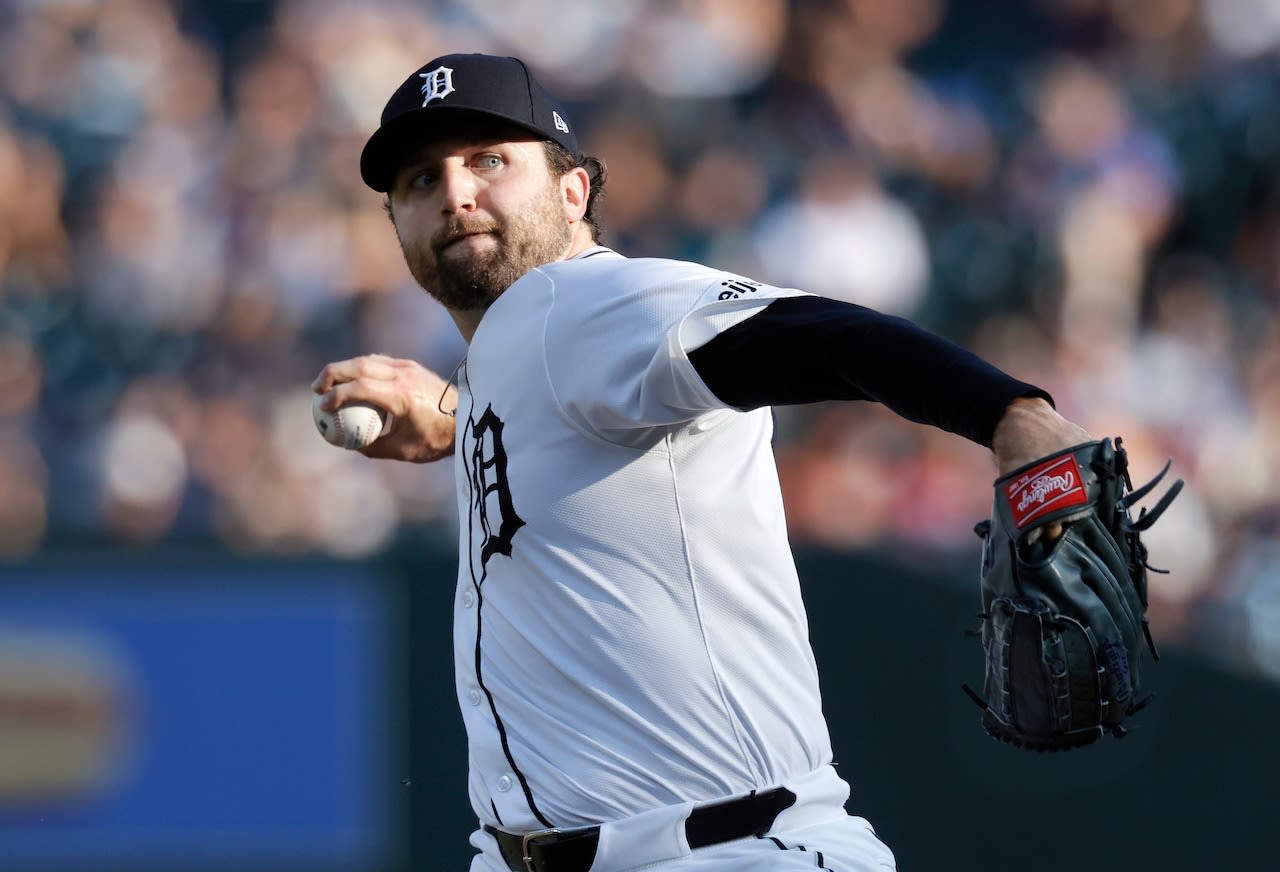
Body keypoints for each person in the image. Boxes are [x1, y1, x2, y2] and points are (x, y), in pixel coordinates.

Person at [312, 52, 1090, 872]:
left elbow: (812, 335)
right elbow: (564, 425)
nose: (456, 193)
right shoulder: (526, 355)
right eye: (420, 182)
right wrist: (456, 420)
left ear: (573, 193)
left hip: (723, 852)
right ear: (396, 224)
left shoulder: (576, 302)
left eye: (489, 160)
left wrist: (1007, 412)